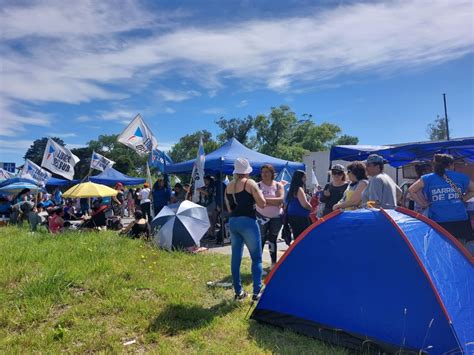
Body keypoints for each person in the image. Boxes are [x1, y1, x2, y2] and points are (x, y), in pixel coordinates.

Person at [225, 158, 266, 301]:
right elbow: (262, 204)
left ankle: (238, 292)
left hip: (233, 221)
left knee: (235, 258)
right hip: (248, 221)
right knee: (257, 258)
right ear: (247, 171)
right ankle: (257, 292)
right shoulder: (250, 183)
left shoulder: (228, 186)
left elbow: (229, 208)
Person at [409, 154, 474, 243]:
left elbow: (411, 190)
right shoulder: (461, 177)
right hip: (460, 220)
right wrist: (464, 198)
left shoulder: (427, 178)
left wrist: (423, 204)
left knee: (440, 249)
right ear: (451, 164)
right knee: (461, 249)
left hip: (438, 221)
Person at [256, 164, 284, 269]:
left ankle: (273, 264)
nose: (264, 174)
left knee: (273, 239)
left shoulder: (278, 185)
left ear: (272, 173)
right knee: (261, 239)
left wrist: (264, 199)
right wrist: (273, 201)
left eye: (267, 172)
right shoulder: (257, 186)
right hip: (261, 216)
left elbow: (280, 200)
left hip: (276, 217)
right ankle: (258, 264)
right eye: (263, 172)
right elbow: (257, 202)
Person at [286, 170, 312, 239]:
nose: (306, 179)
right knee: (302, 237)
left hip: (293, 216)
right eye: (304, 177)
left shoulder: (292, 189)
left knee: (297, 236)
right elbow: (304, 204)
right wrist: (312, 208)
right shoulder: (299, 189)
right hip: (300, 217)